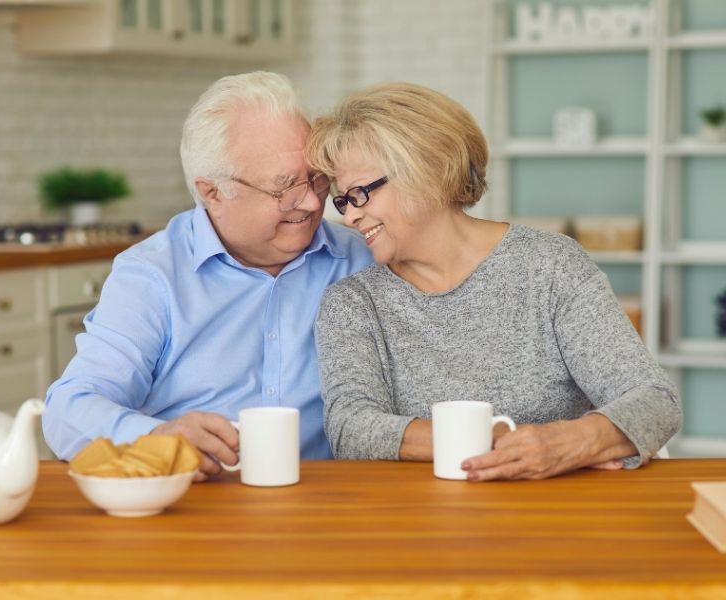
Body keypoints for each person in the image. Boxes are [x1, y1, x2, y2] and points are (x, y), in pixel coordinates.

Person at [307, 82, 681, 480]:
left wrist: (568, 443)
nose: (349, 217)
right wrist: (489, 440)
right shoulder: (353, 302)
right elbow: (351, 429)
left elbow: (655, 402)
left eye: (360, 193)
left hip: (557, 512)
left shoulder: (550, 266)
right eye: (342, 201)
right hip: (420, 520)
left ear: (427, 170)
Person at [43, 72, 372, 480]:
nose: (309, 201)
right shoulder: (153, 275)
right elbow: (69, 408)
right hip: (195, 504)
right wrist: (157, 436)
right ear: (213, 192)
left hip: (327, 499)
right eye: (283, 187)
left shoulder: (361, 256)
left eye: (317, 178)